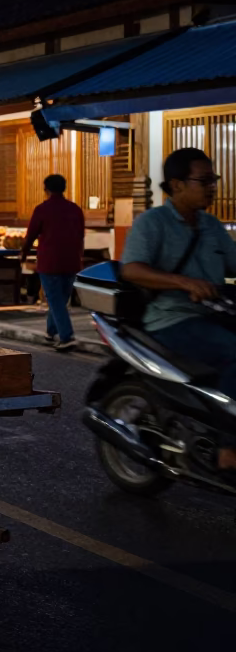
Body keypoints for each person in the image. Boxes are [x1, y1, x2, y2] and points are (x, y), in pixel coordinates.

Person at [121, 147, 236, 470]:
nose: (212, 186)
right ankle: (230, 448)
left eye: (213, 179)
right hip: (170, 320)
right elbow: (131, 269)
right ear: (176, 185)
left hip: (214, 314)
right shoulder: (152, 223)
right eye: (204, 180)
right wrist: (184, 283)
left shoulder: (212, 226)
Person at [20, 174, 85, 351]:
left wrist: (23, 254)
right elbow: (81, 236)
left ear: (46, 189)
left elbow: (31, 235)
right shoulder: (75, 209)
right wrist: (80, 257)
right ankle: (51, 331)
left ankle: (66, 336)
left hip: (50, 262)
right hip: (71, 261)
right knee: (59, 300)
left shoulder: (42, 209)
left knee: (55, 300)